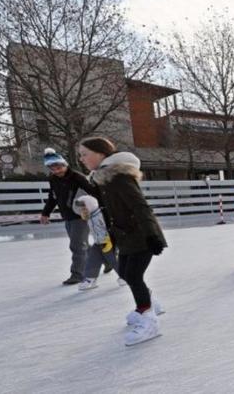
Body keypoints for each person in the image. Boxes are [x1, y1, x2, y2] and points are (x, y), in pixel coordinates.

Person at [79, 137, 167, 346]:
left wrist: (152, 235)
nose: (82, 159)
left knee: (134, 276)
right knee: (127, 273)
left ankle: (148, 320)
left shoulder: (119, 177)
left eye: (85, 154)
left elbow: (140, 206)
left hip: (142, 235)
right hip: (126, 236)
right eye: (80, 155)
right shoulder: (103, 179)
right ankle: (149, 304)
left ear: (100, 154)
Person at [39, 148, 98, 285]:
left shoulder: (77, 177)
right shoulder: (53, 179)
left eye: (59, 167)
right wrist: (45, 213)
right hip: (67, 216)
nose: (57, 171)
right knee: (82, 245)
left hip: (80, 215)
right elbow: (52, 197)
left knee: (77, 245)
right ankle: (105, 260)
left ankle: (78, 274)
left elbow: (93, 191)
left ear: (64, 164)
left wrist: (96, 209)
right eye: (53, 168)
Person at [74, 195, 125, 290]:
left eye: (84, 208)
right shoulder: (90, 216)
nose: (83, 210)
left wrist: (112, 241)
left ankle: (126, 276)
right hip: (98, 243)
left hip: (109, 242)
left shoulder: (101, 215)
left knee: (113, 260)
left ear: (90, 205)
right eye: (81, 208)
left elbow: (111, 228)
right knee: (92, 258)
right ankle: (90, 278)